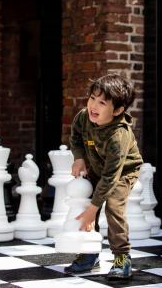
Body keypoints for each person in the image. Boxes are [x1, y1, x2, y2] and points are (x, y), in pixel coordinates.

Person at [65, 74, 143, 279]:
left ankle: (122, 258)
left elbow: (111, 177)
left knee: (113, 206)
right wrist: (79, 158)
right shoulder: (83, 117)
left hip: (123, 171)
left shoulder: (119, 136)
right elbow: (75, 136)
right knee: (86, 205)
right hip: (97, 166)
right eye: (92, 98)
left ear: (117, 110)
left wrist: (94, 208)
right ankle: (90, 253)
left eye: (102, 103)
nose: (93, 106)